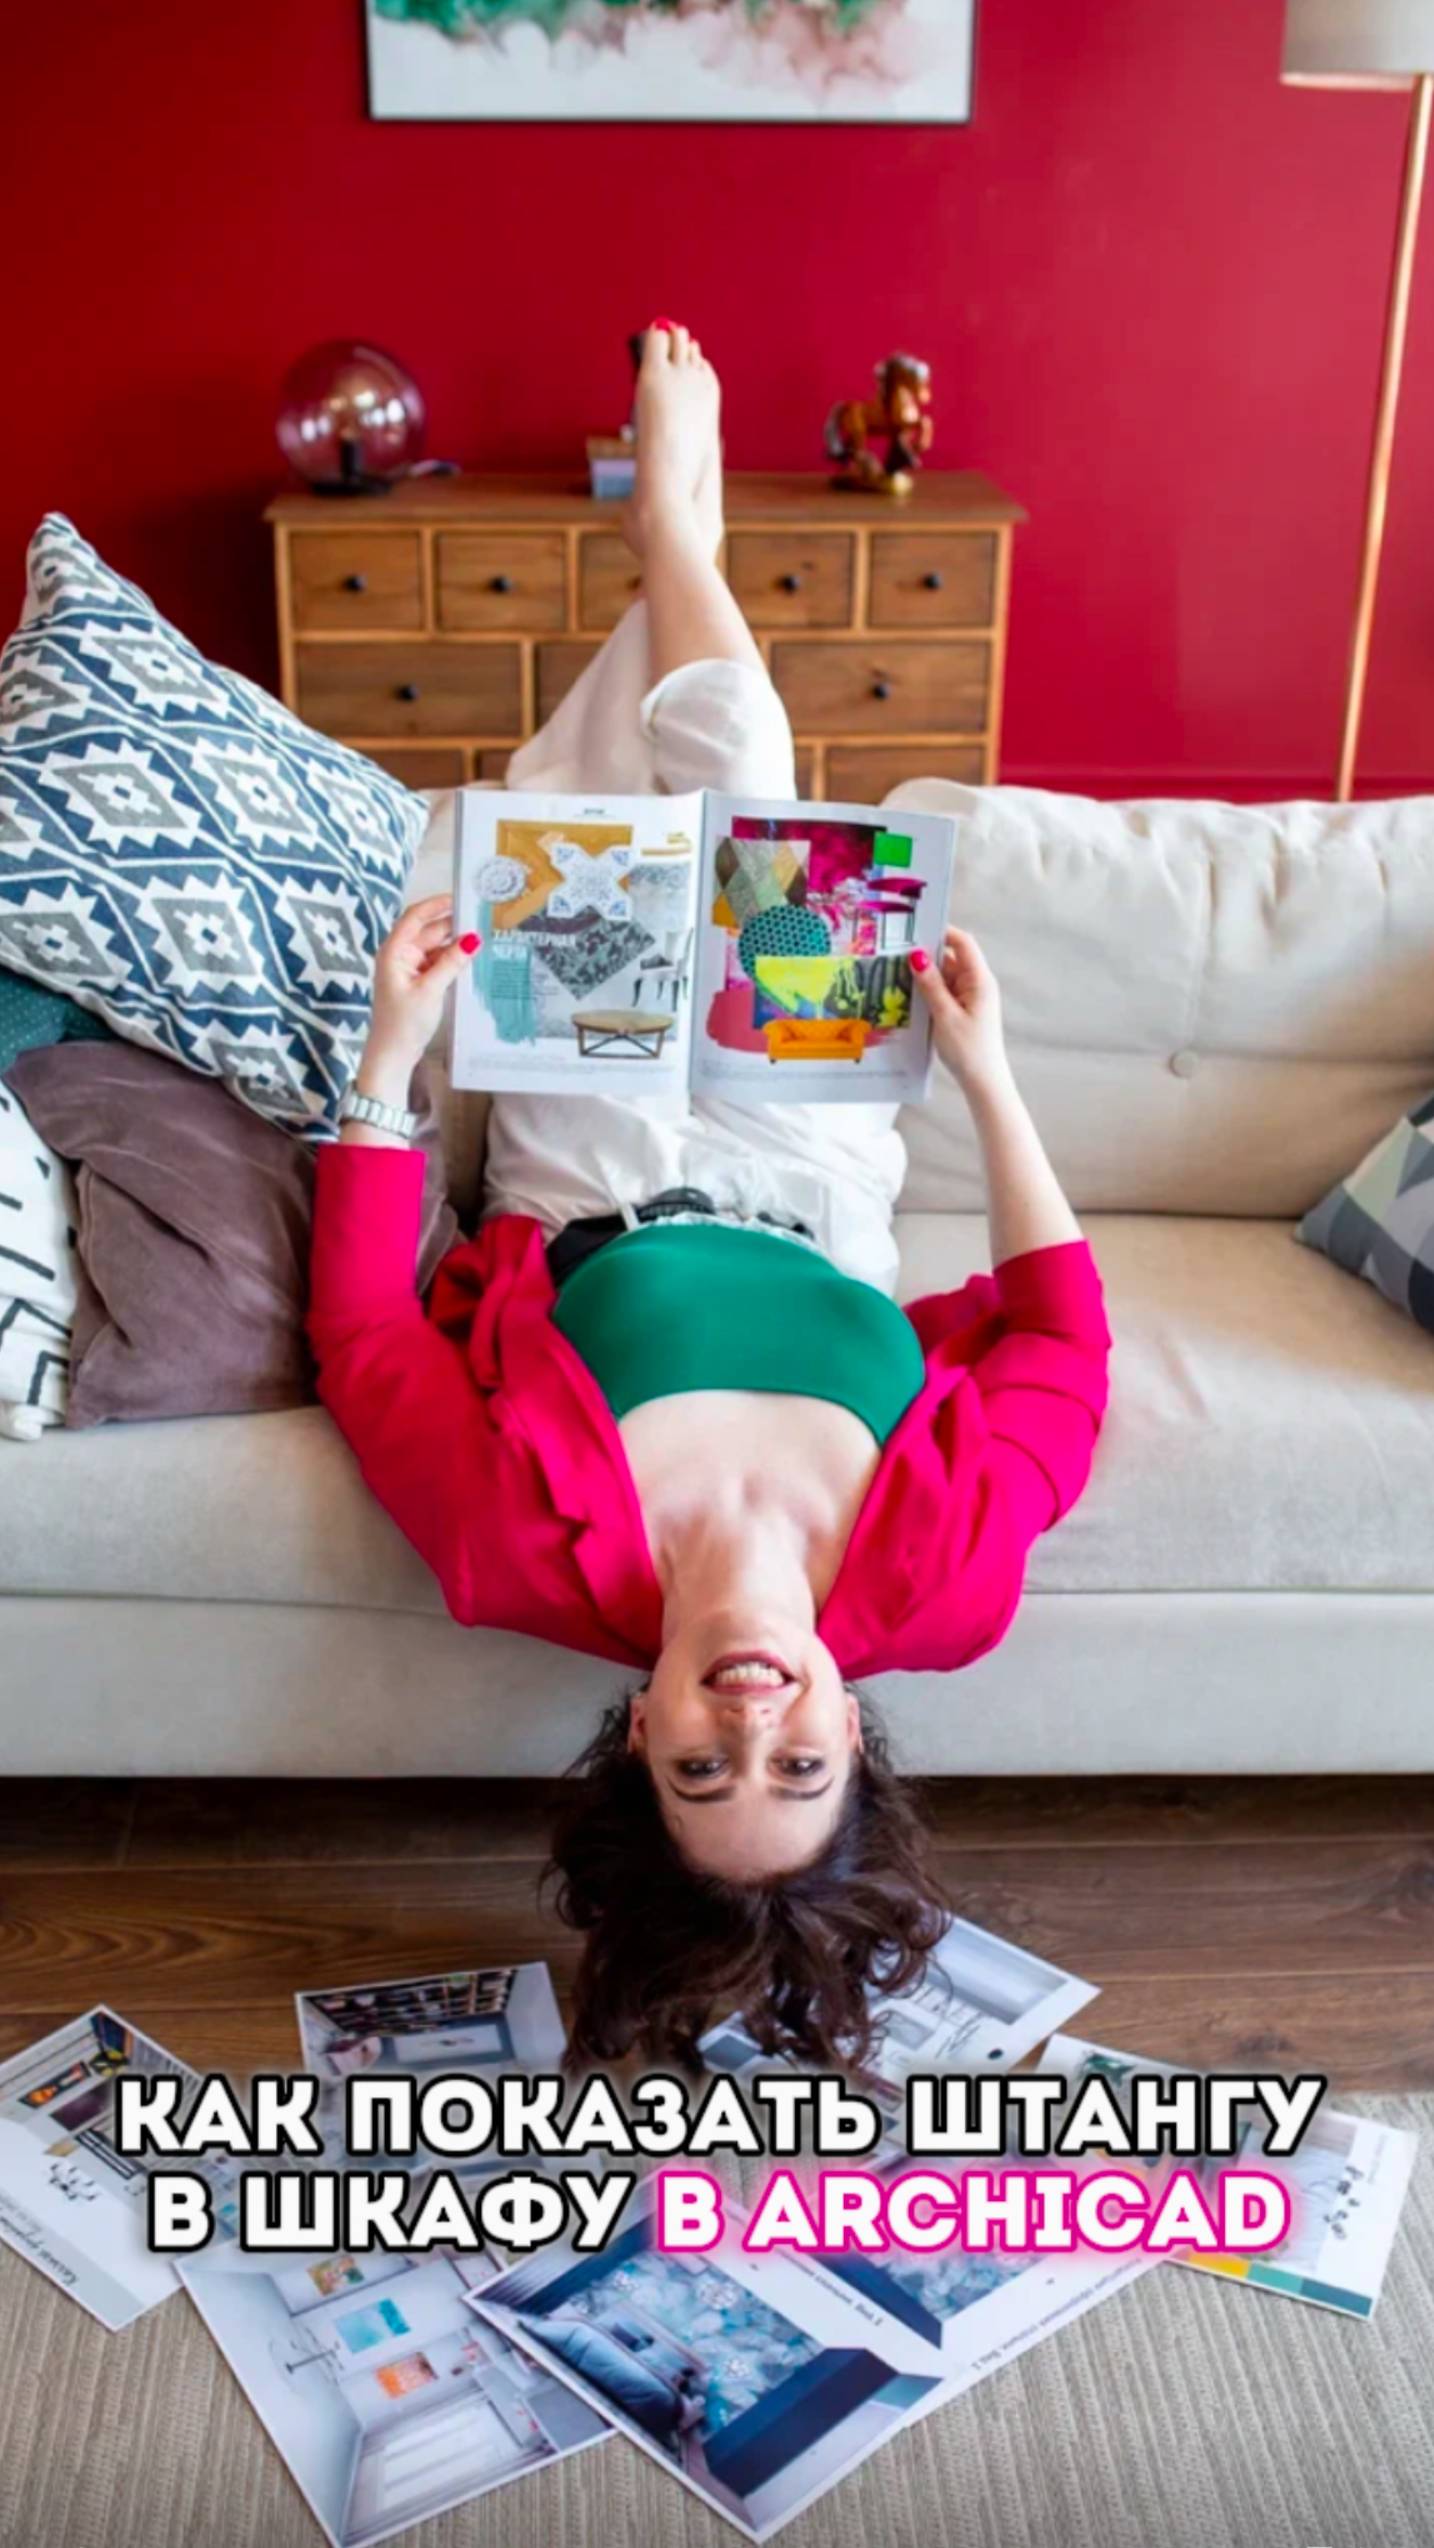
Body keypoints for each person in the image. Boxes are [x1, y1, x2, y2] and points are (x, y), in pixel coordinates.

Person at [308, 323, 1110, 2074]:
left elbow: (364, 1336)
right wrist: (987, 1076)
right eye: (795, 1766)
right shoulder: (949, 1582)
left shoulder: (508, 1557)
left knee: (576, 826)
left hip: (586, 1169)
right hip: (817, 1170)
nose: (752, 1721)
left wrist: (392, 1054)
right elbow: (1061, 1342)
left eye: (699, 1768)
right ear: (852, 1738)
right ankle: (675, 532)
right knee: (743, 778)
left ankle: (664, 564)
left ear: (637, 1737)